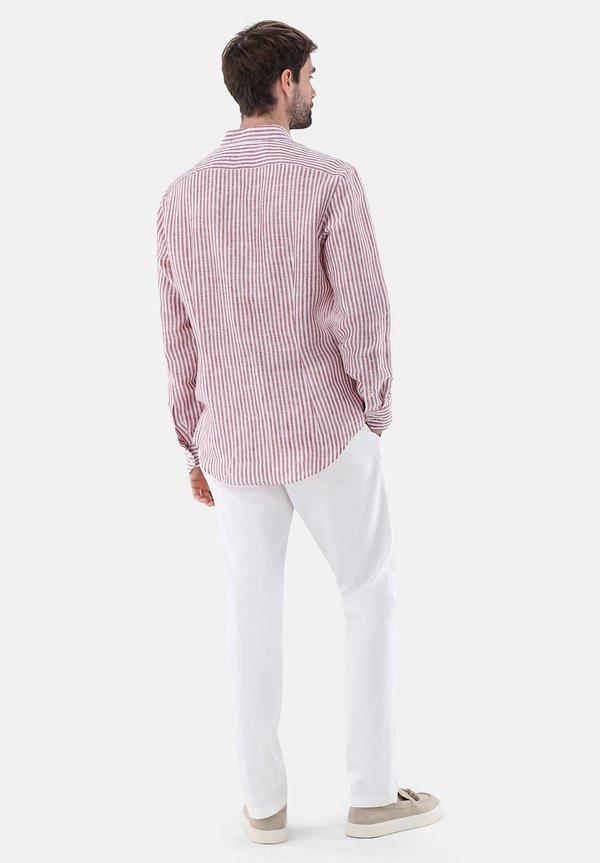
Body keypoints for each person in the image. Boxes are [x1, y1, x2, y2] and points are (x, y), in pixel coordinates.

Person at [156, 19, 443, 843]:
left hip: (233, 440)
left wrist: (193, 440)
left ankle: (264, 807)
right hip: (325, 429)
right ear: (283, 83)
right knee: (369, 593)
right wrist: (374, 407)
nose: (316, 88)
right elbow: (365, 310)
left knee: (250, 612)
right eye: (311, 74)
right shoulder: (330, 181)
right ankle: (372, 794)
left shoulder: (180, 196)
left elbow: (177, 333)